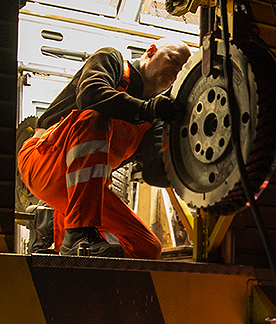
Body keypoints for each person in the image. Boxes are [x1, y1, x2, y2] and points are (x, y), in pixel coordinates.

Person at [18, 40, 191, 258]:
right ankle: (77, 232)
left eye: (182, 69)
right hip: (43, 161)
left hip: (83, 188)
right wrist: (147, 109)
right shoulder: (113, 61)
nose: (177, 70)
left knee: (147, 247)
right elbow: (91, 95)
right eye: (174, 59)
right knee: (95, 118)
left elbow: (155, 171)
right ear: (151, 51)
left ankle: (74, 249)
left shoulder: (153, 117)